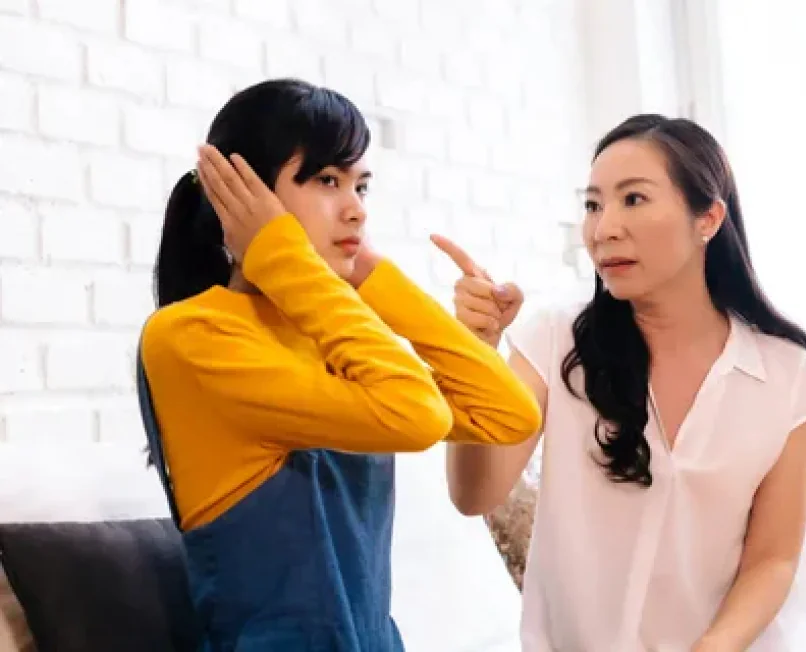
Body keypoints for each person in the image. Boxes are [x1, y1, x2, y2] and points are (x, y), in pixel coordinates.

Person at [136, 78, 541, 651]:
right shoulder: (193, 336)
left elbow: (509, 414)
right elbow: (417, 414)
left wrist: (374, 277)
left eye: (362, 186)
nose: (356, 210)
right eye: (328, 180)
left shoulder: (326, 328)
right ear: (241, 194)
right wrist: (281, 255)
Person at [437, 114, 806, 651]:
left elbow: (773, 558)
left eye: (633, 199)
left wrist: (711, 647)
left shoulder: (792, 379)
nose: (604, 229)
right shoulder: (553, 340)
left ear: (708, 218)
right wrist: (472, 355)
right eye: (593, 205)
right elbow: (475, 494)